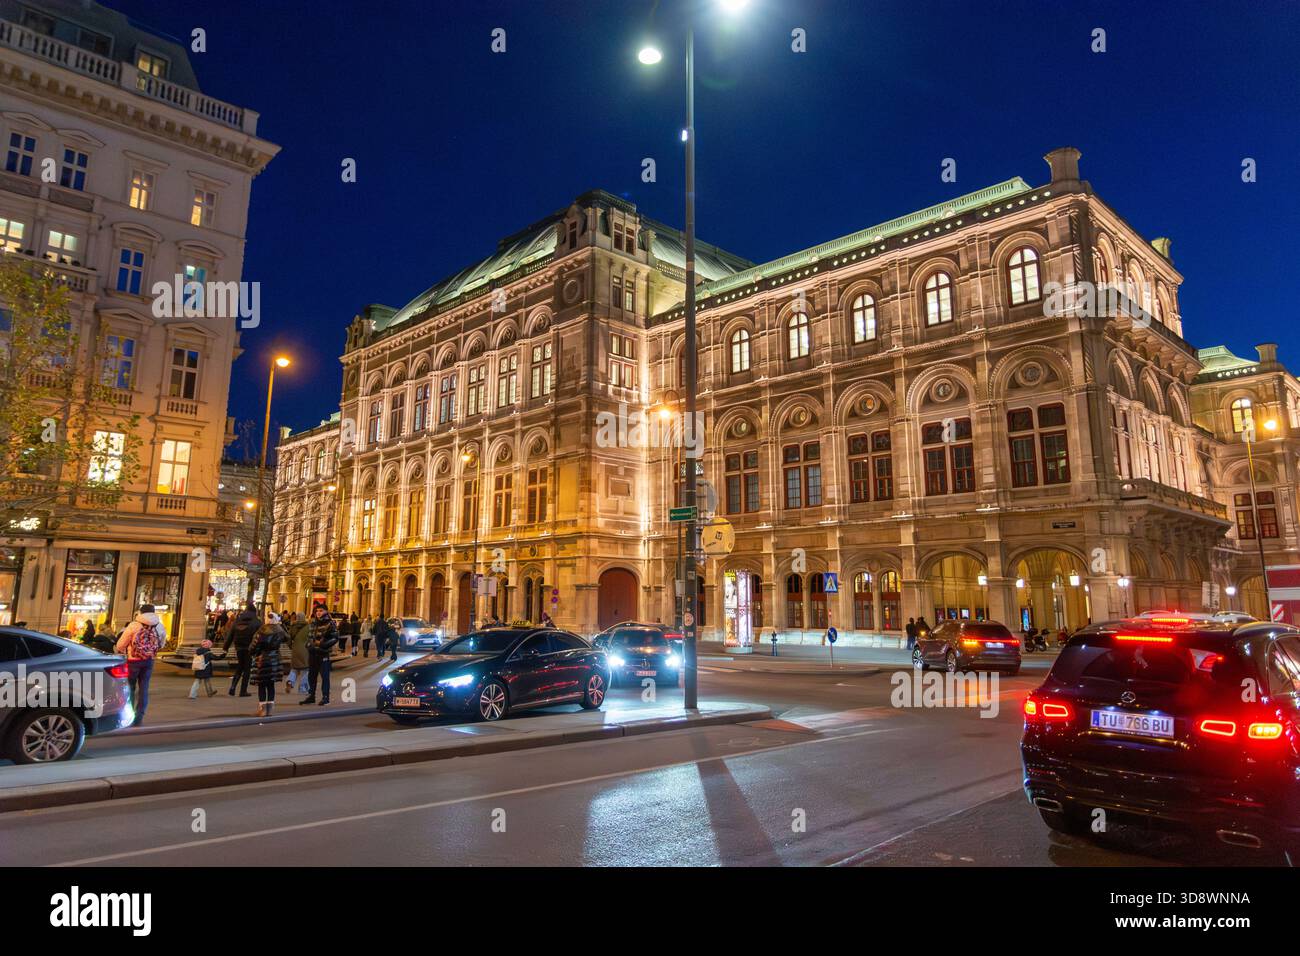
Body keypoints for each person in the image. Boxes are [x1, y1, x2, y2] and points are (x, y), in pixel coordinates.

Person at [114, 604, 165, 727]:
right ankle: (139, 716)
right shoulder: (160, 625)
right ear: (153, 612)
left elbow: (120, 645)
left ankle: (129, 715)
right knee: (144, 688)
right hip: (149, 660)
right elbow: (162, 644)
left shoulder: (134, 625)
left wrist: (124, 650)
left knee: (130, 687)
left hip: (133, 660)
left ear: (140, 612)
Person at [250, 611, 287, 717]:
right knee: (271, 684)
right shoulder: (280, 630)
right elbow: (287, 638)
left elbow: (254, 646)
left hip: (263, 659)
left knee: (262, 684)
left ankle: (262, 709)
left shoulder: (262, 630)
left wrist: (252, 652)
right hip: (275, 659)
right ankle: (270, 709)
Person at [301, 605, 339, 706]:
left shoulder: (330, 623)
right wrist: (308, 645)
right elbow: (309, 636)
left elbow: (335, 637)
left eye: (321, 611)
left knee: (324, 677)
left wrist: (323, 645)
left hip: (323, 653)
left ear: (326, 611)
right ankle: (311, 696)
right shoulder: (313, 623)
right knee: (311, 676)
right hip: (313, 653)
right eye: (317, 611)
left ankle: (325, 697)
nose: (318, 613)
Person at [222, 602, 260, 697]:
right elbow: (260, 636)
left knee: (240, 667)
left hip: (238, 647)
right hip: (249, 648)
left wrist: (225, 648)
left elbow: (230, 635)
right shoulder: (256, 621)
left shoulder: (238, 620)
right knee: (247, 669)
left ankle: (233, 687)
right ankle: (243, 691)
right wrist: (259, 649)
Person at [284, 611, 311, 693]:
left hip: (295, 649)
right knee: (305, 670)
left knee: (294, 668)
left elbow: (288, 638)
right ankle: (302, 688)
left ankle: (290, 681)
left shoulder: (293, 626)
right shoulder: (308, 627)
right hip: (305, 650)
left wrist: (291, 646)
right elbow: (310, 638)